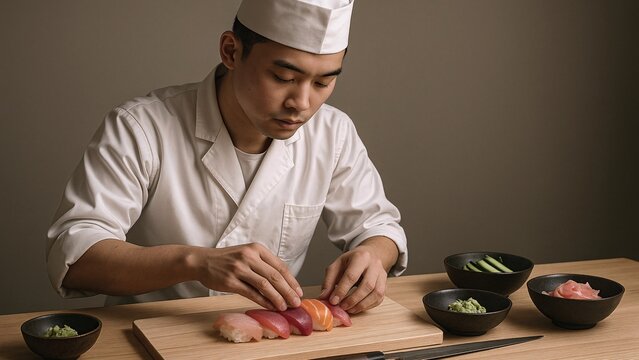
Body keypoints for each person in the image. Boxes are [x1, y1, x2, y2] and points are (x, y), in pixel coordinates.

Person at [46, 0, 407, 314]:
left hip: (269, 339)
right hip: (150, 333)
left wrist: (374, 254)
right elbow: (76, 255)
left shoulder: (334, 133)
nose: (302, 103)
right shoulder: (141, 127)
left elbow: (379, 228)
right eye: (283, 77)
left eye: (322, 83)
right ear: (231, 51)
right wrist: (196, 263)